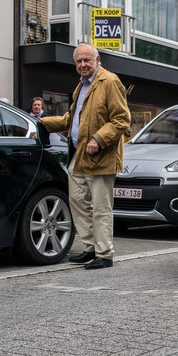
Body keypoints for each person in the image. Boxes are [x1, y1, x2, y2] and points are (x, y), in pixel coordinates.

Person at [39, 43, 130, 269]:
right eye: (79, 61)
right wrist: (41, 122)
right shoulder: (81, 86)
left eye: (87, 60)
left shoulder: (109, 81)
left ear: (97, 59)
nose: (82, 64)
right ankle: (90, 248)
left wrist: (98, 140)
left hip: (102, 157)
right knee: (78, 202)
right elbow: (72, 119)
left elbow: (121, 120)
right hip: (79, 155)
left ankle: (104, 253)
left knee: (100, 207)